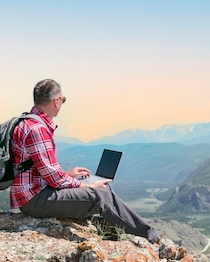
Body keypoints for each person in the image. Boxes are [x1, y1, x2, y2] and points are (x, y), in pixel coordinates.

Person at [10, 79, 159, 243]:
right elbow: (53, 178)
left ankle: (113, 236)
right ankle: (150, 238)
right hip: (35, 200)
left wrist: (69, 175)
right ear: (57, 101)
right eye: (63, 99)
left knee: (102, 190)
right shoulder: (37, 129)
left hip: (34, 195)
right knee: (100, 194)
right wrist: (86, 186)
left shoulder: (28, 123)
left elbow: (42, 171)